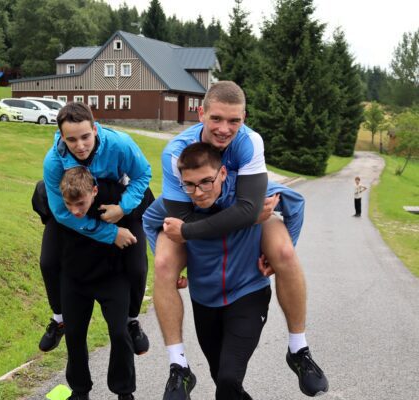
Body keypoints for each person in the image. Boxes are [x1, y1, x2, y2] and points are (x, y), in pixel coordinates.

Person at [152, 81, 328, 399]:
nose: (225, 129)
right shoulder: (177, 152)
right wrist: (240, 218)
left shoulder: (249, 142)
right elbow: (180, 218)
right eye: (216, 119)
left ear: (244, 118)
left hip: (245, 272)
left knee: (284, 252)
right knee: (164, 263)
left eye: (234, 120)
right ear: (200, 113)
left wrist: (259, 234)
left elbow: (252, 209)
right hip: (206, 276)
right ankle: (178, 365)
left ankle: (298, 349)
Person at [144, 142, 277, 399]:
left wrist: (275, 256)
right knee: (223, 381)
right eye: (189, 184)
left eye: (206, 182)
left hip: (249, 293)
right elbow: (149, 220)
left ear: (223, 173)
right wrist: (169, 267)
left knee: (228, 378)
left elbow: (296, 204)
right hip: (204, 300)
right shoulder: (179, 201)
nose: (198, 192)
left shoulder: (247, 192)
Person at [36, 102, 152, 356]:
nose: (80, 146)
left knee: (137, 267)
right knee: (48, 262)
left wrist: (122, 208)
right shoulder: (53, 161)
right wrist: (111, 234)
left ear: (95, 129)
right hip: (74, 205)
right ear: (61, 136)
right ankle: (59, 319)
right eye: (71, 139)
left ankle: (131, 320)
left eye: (85, 137)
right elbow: (62, 213)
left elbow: (143, 174)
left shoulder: (120, 144)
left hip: (116, 199)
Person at [57, 166, 140, 400]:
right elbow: (39, 199)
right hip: (75, 277)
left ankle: (124, 392)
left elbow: (146, 199)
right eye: (69, 204)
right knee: (74, 335)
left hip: (112, 276)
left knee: (119, 333)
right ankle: (79, 391)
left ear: (94, 191)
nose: (75, 211)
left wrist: (123, 210)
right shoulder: (54, 198)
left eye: (80, 204)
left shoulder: (114, 195)